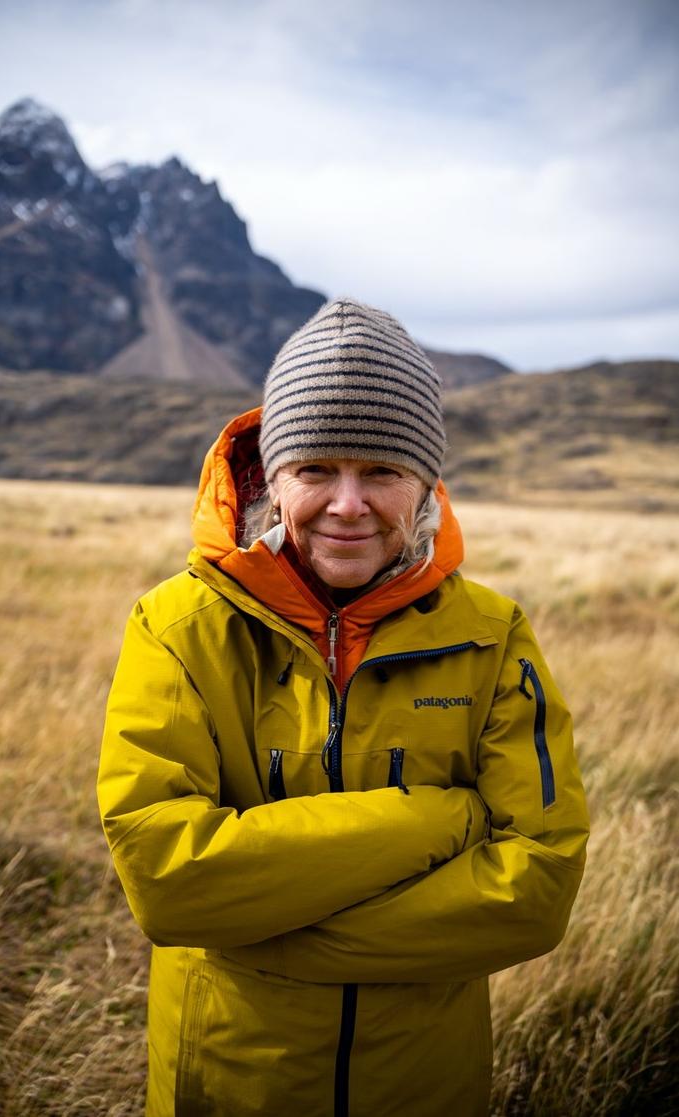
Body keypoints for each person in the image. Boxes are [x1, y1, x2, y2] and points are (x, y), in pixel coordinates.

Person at [97, 296, 589, 1117]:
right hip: (227, 1080)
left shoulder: (492, 636)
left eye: (382, 470)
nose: (348, 504)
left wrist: (263, 938)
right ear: (273, 476)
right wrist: (440, 821)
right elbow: (168, 882)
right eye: (317, 467)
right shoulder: (177, 627)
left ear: (425, 487)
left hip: (422, 1085)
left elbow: (535, 887)